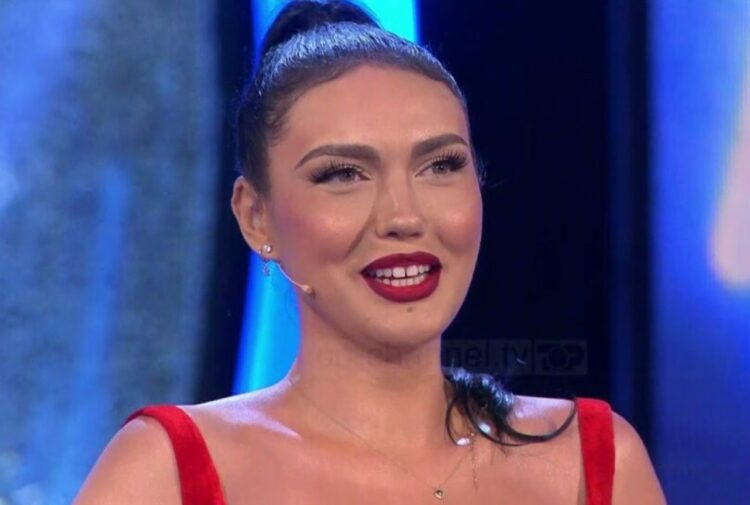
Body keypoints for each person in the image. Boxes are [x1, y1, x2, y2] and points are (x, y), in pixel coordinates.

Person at [74, 1, 667, 503]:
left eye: (440, 165)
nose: (404, 217)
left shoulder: (597, 463)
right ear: (255, 217)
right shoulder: (163, 474)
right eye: (343, 174)